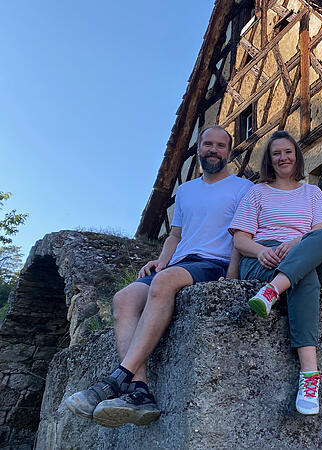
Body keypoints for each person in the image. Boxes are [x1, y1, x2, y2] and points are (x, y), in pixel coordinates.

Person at [63, 125, 253, 427]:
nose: (213, 150)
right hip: (179, 263)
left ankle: (116, 380)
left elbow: (242, 235)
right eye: (207, 144)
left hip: (213, 263)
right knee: (123, 298)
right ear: (199, 149)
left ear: (229, 152)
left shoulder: (243, 188)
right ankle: (139, 390)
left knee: (164, 284)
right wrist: (161, 261)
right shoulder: (186, 190)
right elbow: (175, 235)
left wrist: (232, 275)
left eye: (220, 145)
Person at [228, 130, 322, 416]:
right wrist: (261, 250)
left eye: (288, 152)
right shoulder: (257, 192)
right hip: (263, 260)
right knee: (305, 278)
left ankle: (273, 291)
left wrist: (295, 243)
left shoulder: (312, 192)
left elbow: (319, 232)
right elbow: (239, 239)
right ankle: (309, 378)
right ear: (270, 160)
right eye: (276, 153)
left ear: (296, 156)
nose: (283, 157)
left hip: (300, 252)